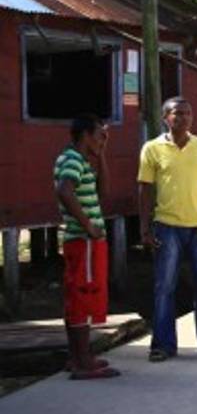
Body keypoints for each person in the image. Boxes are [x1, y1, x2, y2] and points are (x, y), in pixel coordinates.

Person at [137, 97, 197, 362]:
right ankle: (163, 345)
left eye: (188, 113)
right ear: (166, 117)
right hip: (166, 227)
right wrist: (144, 227)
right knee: (165, 287)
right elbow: (144, 189)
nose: (184, 118)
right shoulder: (152, 149)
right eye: (178, 113)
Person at [54, 114, 120, 379]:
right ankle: (83, 363)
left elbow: (103, 192)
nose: (102, 140)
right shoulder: (71, 159)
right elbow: (64, 190)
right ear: (85, 135)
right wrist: (89, 225)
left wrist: (101, 154)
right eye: (99, 135)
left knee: (77, 297)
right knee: (84, 295)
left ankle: (78, 357)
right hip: (84, 241)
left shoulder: (79, 160)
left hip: (80, 241)